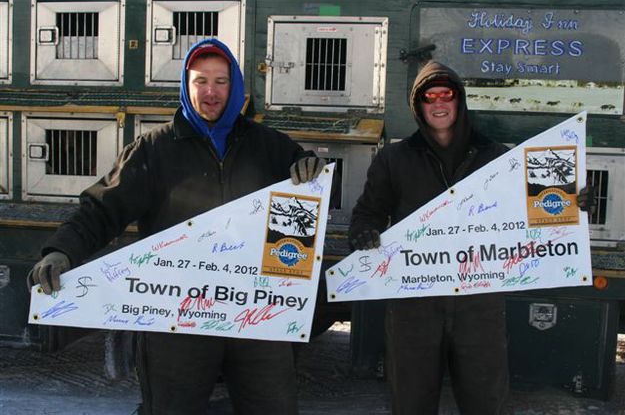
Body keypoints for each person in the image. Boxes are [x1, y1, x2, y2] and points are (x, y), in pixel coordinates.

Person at [27, 38, 324, 415]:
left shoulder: (270, 146)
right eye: (201, 81)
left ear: (236, 87)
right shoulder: (153, 150)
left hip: (255, 317)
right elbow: (101, 210)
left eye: (221, 81)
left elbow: (301, 205)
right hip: (176, 320)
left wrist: (309, 168)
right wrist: (61, 250)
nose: (211, 92)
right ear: (186, 85)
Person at [349, 60, 595, 414]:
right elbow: (367, 213)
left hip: (479, 303)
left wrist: (571, 205)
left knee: (486, 401)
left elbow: (529, 214)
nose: (438, 103)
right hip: (414, 302)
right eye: (428, 96)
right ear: (418, 106)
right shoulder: (395, 158)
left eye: (445, 94)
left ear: (459, 100)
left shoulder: (495, 156)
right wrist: (363, 234)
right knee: (410, 401)